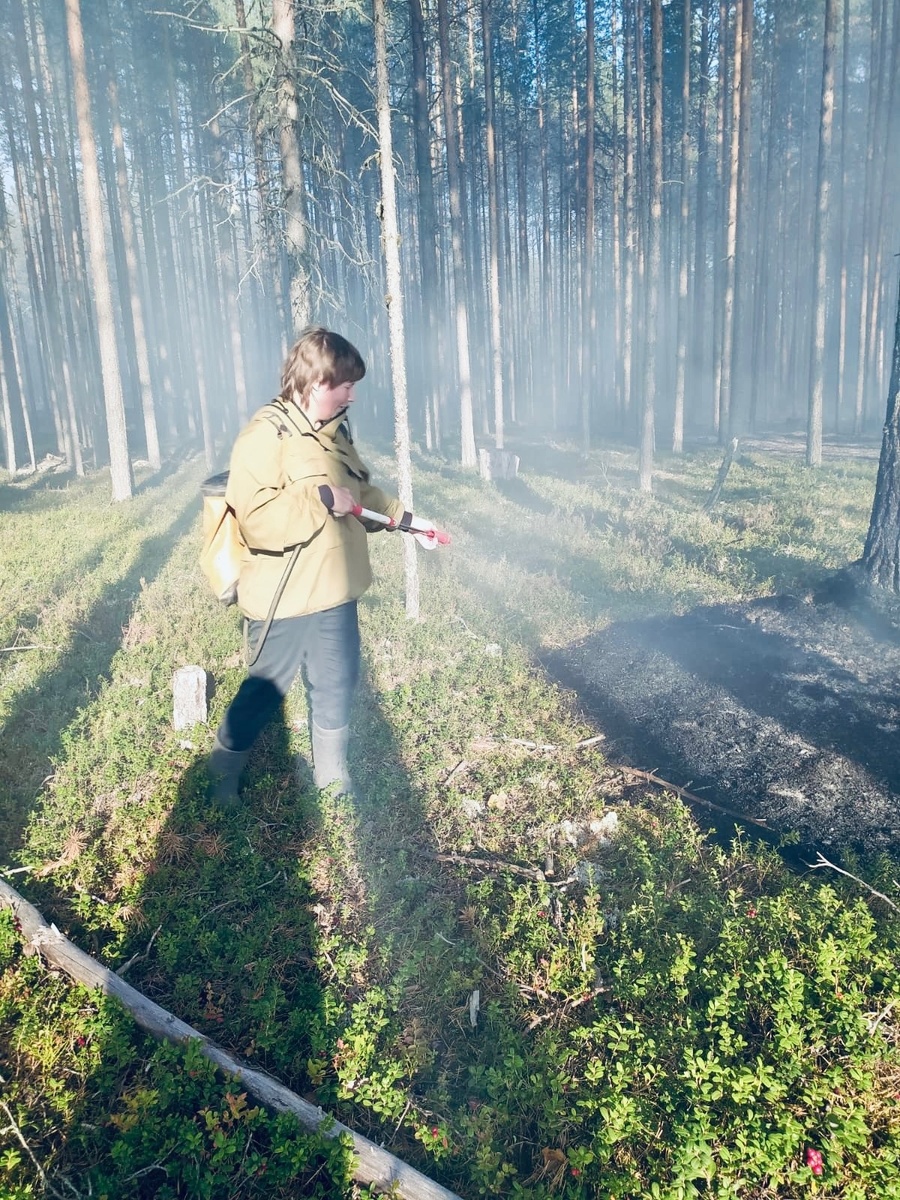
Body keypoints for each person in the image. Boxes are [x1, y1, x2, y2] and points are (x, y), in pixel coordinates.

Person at [207, 326, 439, 807]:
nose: (353, 394)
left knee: (336, 683)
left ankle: (332, 775)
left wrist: (410, 522)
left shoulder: (336, 433)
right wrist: (319, 499)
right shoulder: (263, 437)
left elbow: (359, 498)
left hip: (335, 591)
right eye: (347, 384)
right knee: (264, 695)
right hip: (283, 599)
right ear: (317, 383)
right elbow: (258, 521)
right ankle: (221, 774)